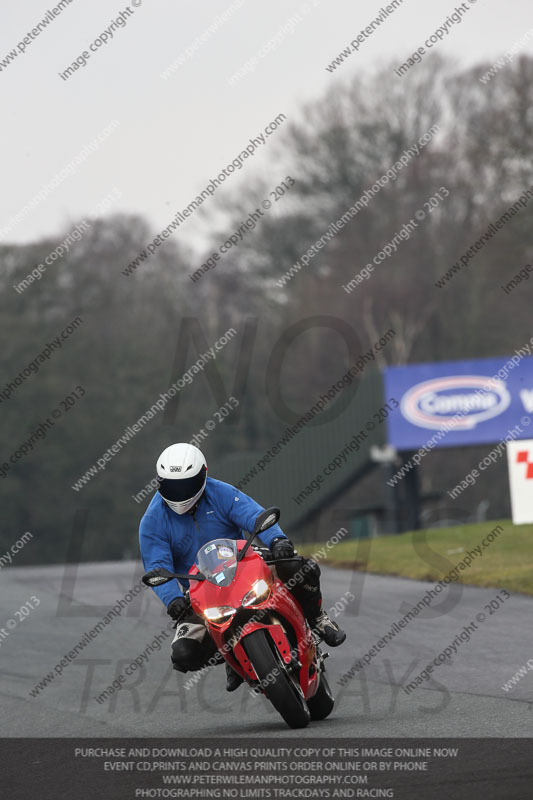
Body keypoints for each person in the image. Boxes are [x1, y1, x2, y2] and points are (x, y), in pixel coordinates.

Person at [139, 443, 345, 691]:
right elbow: (157, 565)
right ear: (159, 482)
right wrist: (172, 599)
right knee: (184, 654)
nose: (180, 493)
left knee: (299, 567)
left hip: (243, 564)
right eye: (172, 485)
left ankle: (318, 619)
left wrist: (278, 541)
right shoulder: (152, 521)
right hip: (199, 591)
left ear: (203, 473)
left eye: (186, 484)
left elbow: (253, 514)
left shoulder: (221, 492)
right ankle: (232, 656)